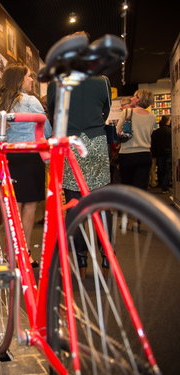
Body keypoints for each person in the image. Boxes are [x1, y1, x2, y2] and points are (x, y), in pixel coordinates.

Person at [47, 46, 112, 277]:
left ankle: (81, 259)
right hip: (95, 144)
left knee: (74, 207)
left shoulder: (56, 81)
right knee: (102, 205)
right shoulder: (102, 80)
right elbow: (106, 111)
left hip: (70, 146)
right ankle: (106, 258)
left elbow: (52, 112)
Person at [0, 63, 52, 267]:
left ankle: (11, 253)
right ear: (19, 79)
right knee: (29, 208)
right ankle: (24, 253)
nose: (31, 80)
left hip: (10, 158)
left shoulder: (1, 102)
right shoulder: (30, 101)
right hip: (30, 156)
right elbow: (47, 130)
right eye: (28, 76)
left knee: (13, 209)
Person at [116, 89, 156, 191]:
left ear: (138, 99)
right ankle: (139, 206)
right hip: (145, 154)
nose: (132, 98)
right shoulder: (152, 116)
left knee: (127, 187)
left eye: (134, 96)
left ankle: (127, 206)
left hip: (127, 154)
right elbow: (149, 133)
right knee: (141, 188)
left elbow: (117, 132)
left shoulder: (126, 112)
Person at [151, 115, 172, 193]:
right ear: (167, 121)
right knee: (168, 170)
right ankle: (165, 187)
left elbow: (153, 144)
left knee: (161, 169)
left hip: (159, 153)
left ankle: (160, 183)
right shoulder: (170, 131)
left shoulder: (156, 132)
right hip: (169, 153)